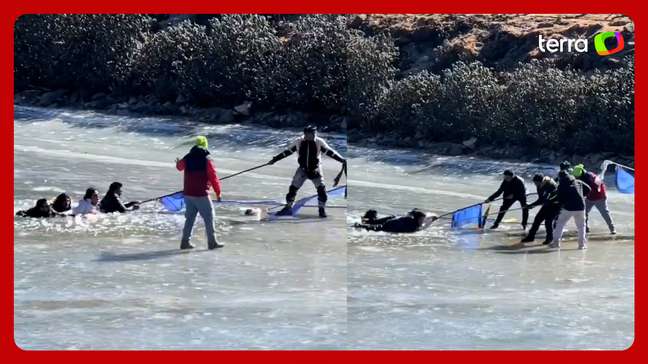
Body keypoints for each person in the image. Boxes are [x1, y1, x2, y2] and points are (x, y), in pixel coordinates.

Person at [268, 125, 346, 218]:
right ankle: (288, 207)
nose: (309, 136)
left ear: (314, 134)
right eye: (307, 134)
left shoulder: (319, 142)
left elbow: (330, 152)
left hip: (315, 170)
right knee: (292, 189)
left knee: (322, 191)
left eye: (312, 134)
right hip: (302, 170)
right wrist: (275, 159)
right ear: (304, 134)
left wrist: (342, 160)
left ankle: (321, 210)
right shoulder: (299, 141)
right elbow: (287, 152)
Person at [175, 136, 223, 250]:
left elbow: (179, 167)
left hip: (188, 194)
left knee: (190, 218)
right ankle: (212, 243)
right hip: (201, 194)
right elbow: (214, 178)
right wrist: (218, 193)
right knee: (209, 217)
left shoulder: (188, 157)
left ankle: (185, 242)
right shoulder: (207, 159)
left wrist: (177, 162)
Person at [549, 170, 591, 250]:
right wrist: (582, 196)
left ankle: (556, 243)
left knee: (560, 224)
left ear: (560, 177)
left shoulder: (561, 185)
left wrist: (562, 204)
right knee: (581, 226)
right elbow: (589, 189)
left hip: (568, 208)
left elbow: (560, 198)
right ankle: (581, 245)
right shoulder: (578, 181)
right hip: (581, 207)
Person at [572, 164, 616, 234]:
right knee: (583, 212)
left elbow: (598, 186)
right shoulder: (581, 177)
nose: (576, 178)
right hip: (589, 198)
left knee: (605, 213)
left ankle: (612, 229)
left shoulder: (592, 177)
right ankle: (585, 228)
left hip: (599, 197)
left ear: (581, 174)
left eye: (577, 176)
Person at [521, 174, 560, 244]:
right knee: (537, 219)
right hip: (547, 204)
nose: (535, 184)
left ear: (541, 181)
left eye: (536, 183)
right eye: (534, 183)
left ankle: (549, 238)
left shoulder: (550, 185)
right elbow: (541, 199)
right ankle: (530, 237)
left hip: (555, 205)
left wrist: (533, 205)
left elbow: (546, 199)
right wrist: (531, 205)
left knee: (548, 221)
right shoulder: (539, 186)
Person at [353, 209, 436, 233]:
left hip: (392, 220)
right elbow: (421, 228)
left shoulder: (411, 219)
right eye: (421, 219)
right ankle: (361, 225)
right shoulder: (414, 225)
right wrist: (430, 221)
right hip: (391, 225)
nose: (422, 221)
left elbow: (420, 222)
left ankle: (364, 222)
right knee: (376, 228)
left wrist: (430, 219)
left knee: (374, 225)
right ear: (417, 219)